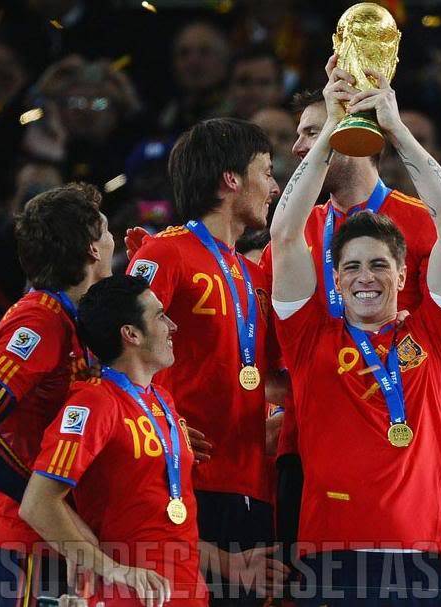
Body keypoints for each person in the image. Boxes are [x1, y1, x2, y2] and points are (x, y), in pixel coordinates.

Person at [269, 54, 441, 604]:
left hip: (421, 558)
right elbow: (284, 235)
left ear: (405, 273)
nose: (366, 278)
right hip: (333, 559)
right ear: (333, 280)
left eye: (380, 265)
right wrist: (332, 131)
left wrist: (396, 128)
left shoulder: (433, 335)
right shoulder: (312, 338)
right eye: (353, 268)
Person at [20, 275, 287, 606]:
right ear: (130, 334)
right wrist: (114, 570)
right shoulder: (93, 402)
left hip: (188, 594)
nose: (172, 325)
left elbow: (161, 525)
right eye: (160, 315)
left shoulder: (162, 402)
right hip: (129, 598)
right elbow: (37, 503)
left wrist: (228, 564)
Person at [0, 183, 114, 605]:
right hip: (20, 550)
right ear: (92, 249)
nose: (113, 239)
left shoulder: (70, 321)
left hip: (45, 547)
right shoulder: (40, 320)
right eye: (106, 230)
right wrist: (49, 509)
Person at [126, 117, 284, 605]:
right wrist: (163, 423)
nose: (275, 186)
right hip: (186, 483)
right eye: (266, 170)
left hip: (254, 483)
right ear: (230, 179)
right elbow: (115, 346)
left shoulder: (255, 274)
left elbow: (275, 376)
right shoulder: (165, 252)